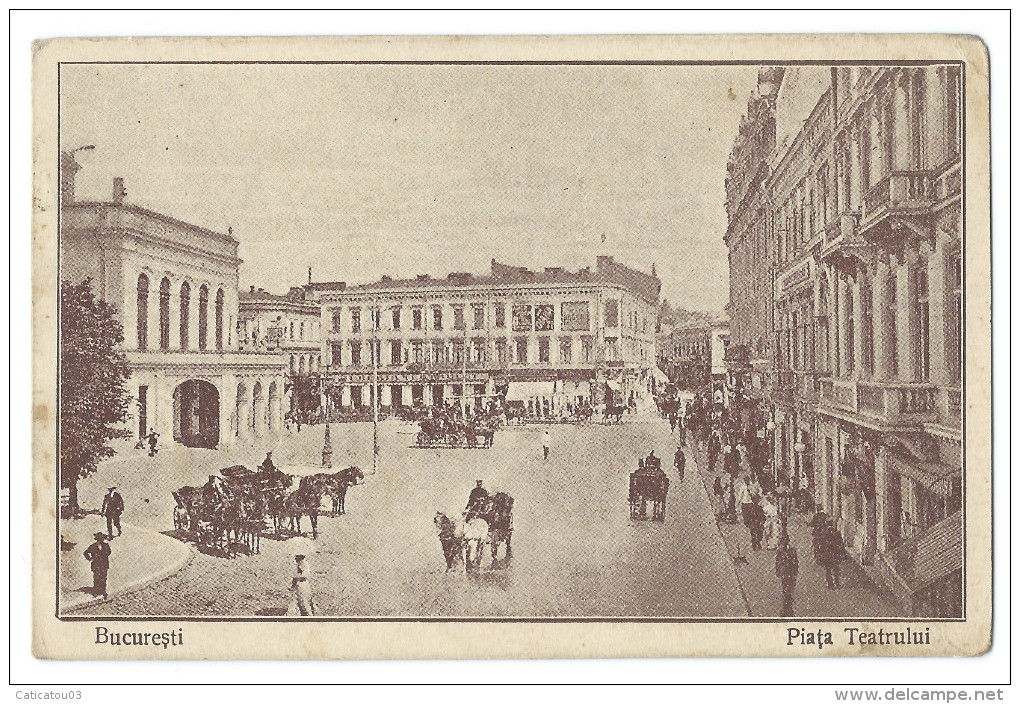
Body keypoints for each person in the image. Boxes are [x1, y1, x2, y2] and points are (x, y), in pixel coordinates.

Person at [775, 535, 799, 617]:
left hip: (790, 573)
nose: (783, 544)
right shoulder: (780, 551)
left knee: (789, 590)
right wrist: (778, 571)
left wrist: (795, 572)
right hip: (784, 574)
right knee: (785, 590)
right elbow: (777, 562)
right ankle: (787, 607)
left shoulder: (792, 551)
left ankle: (788, 608)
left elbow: (795, 562)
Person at [819, 519, 847, 589]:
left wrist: (821, 554)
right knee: (836, 569)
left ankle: (830, 584)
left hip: (827, 554)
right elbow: (841, 544)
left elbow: (821, 546)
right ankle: (837, 584)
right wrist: (843, 554)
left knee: (828, 570)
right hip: (835, 554)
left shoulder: (824, 533)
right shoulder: (837, 533)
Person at [83, 532, 111, 600]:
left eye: (102, 539)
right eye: (100, 539)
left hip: (104, 565)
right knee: (96, 578)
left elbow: (109, 552)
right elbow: (85, 553)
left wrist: (105, 553)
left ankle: (103, 591)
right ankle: (96, 591)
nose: (101, 540)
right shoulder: (93, 546)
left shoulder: (106, 545)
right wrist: (90, 559)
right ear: (97, 540)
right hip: (96, 565)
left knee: (103, 578)